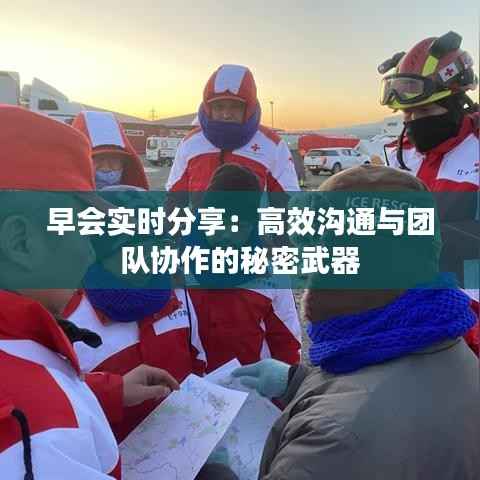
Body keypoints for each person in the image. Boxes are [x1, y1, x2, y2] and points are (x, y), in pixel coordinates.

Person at [233, 165, 479, 480]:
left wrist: (213, 473)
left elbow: (363, 417)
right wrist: (297, 383)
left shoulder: (334, 438)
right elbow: (390, 388)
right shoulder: (440, 339)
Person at [0, 106, 178, 479]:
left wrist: (109, 391)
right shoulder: (41, 437)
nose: (90, 253)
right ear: (20, 241)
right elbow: (43, 416)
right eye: (83, 230)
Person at [64, 193, 207, 441]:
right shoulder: (70, 320)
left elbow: (197, 362)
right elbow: (59, 403)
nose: (148, 258)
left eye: (157, 244)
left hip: (186, 444)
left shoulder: (178, 294)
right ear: (99, 253)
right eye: (134, 249)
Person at [379, 31, 479, 355]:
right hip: (404, 329)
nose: (412, 123)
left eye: (423, 112)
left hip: (465, 337)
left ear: (456, 104)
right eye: (406, 114)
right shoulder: (398, 157)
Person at [185, 164, 301, 372]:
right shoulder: (176, 266)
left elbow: (287, 341)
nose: (227, 234)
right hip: (191, 388)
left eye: (240, 225)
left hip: (252, 386)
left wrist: (284, 383)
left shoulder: (272, 272)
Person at [166, 64, 299, 195]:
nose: (226, 114)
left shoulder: (272, 145)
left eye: (235, 106)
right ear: (208, 108)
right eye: (219, 107)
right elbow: (174, 195)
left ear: (248, 108)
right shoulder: (190, 142)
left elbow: (288, 198)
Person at [72, 110, 149, 190]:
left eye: (114, 160)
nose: (106, 168)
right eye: (98, 160)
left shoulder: (135, 195)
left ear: (124, 164)